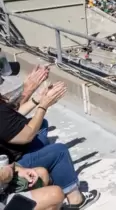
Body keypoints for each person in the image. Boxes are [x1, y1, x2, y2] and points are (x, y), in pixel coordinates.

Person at [0, 65, 100, 209]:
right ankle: (75, 200)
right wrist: (43, 106)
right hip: (12, 164)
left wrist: (37, 100)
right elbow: (26, 135)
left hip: (10, 161)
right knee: (59, 151)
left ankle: (59, 174)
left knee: (41, 129)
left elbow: (10, 117)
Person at [0, 163, 65, 210]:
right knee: (56, 194)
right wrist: (6, 173)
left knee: (42, 173)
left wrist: (19, 169)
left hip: (4, 190)